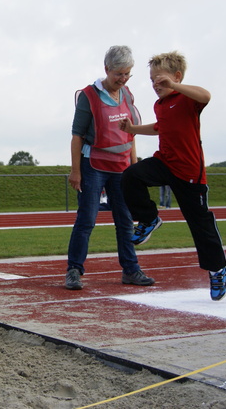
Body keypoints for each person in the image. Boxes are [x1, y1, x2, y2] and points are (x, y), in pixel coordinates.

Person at [120, 51, 226, 301]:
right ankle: (148, 219)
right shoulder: (160, 105)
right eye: (152, 81)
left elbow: (206, 96)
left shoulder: (188, 99)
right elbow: (160, 127)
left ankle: (217, 269)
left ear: (177, 77)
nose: (156, 86)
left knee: (200, 225)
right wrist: (132, 129)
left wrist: (176, 86)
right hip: (164, 162)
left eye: (161, 80)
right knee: (131, 176)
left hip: (189, 172)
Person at [65, 45, 155, 290]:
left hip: (122, 168)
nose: (123, 79)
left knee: (125, 220)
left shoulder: (127, 94)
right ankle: (74, 270)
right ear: (107, 69)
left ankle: (131, 270)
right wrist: (76, 171)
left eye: (127, 74)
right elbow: (76, 136)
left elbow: (131, 134)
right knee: (86, 220)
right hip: (93, 166)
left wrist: (134, 168)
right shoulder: (89, 96)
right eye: (118, 74)